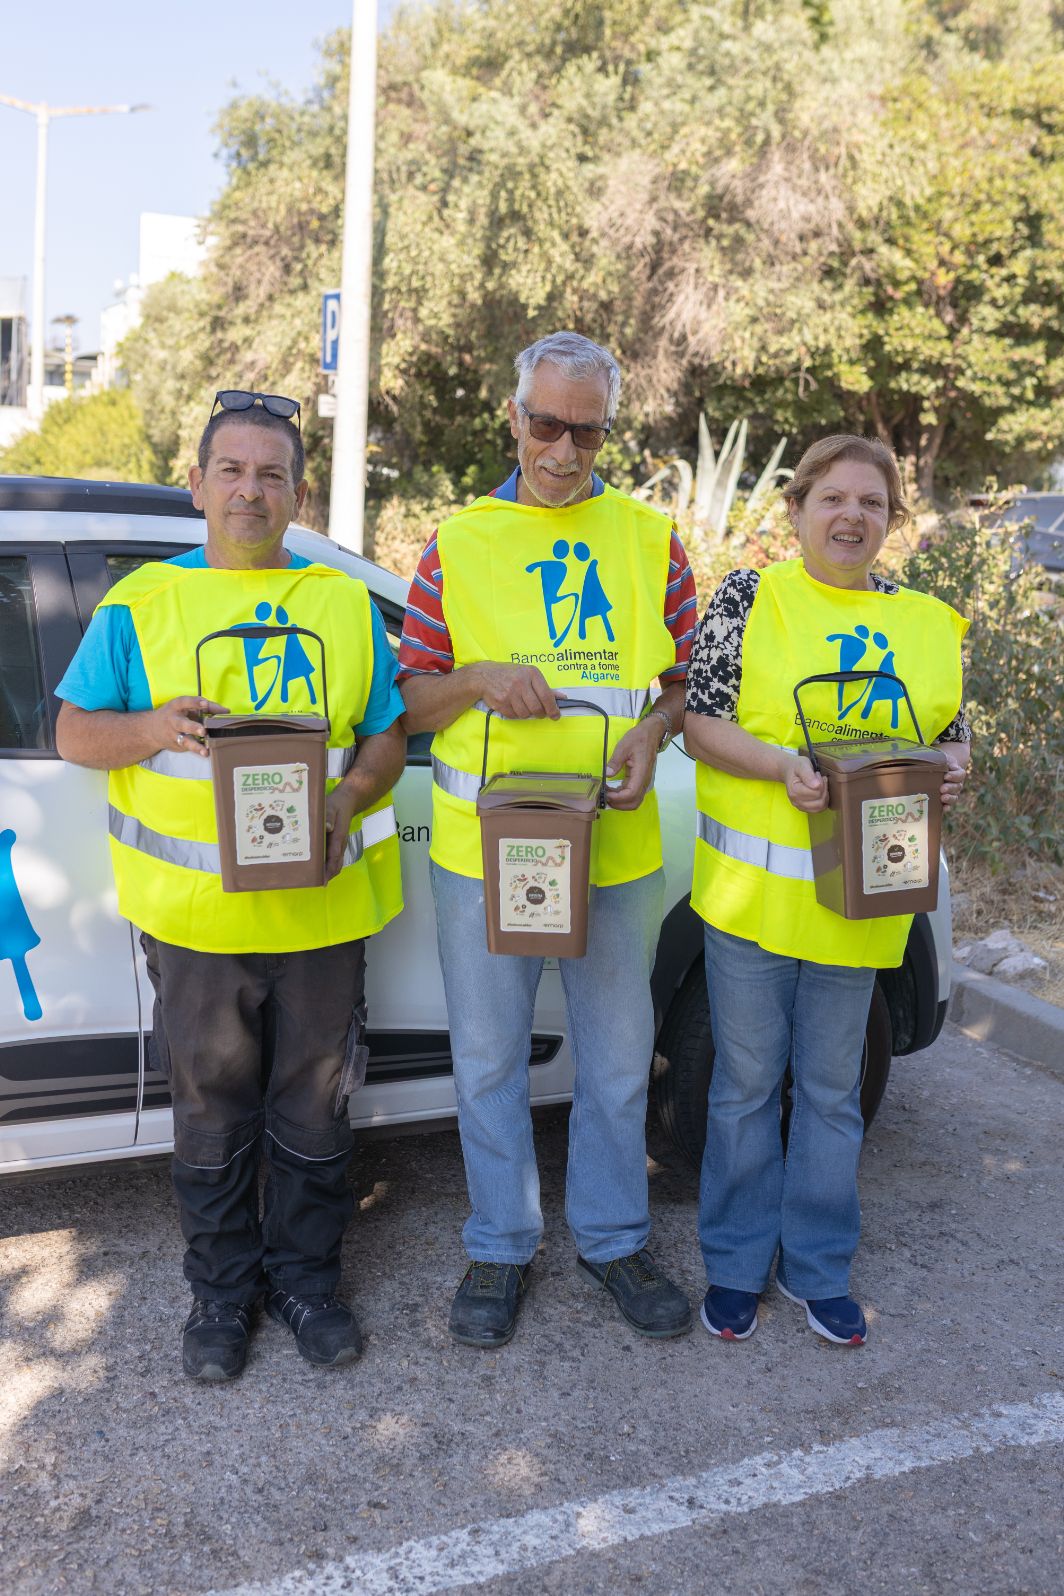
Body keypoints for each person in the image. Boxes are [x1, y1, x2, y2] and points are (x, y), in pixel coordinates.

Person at [55, 390, 405, 1380]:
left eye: (272, 474)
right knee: (212, 1114)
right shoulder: (141, 604)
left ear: (297, 495)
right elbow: (75, 732)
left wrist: (354, 797)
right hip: (197, 923)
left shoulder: (339, 603)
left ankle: (306, 1282)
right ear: (197, 485)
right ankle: (220, 1297)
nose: (251, 489)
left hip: (324, 909)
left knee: (314, 1106)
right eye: (233, 471)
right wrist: (154, 726)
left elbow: (387, 729)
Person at [398, 331, 697, 1347]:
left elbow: (682, 684)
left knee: (616, 1060)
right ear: (512, 417)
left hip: (610, 849)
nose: (563, 451)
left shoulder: (651, 539)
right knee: (487, 1059)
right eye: (544, 424)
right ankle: (500, 1244)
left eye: (586, 429)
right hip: (483, 856)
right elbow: (410, 702)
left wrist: (655, 737)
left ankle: (613, 1240)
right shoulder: (456, 541)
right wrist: (480, 681)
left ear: (608, 429)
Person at [683, 434, 971, 1346]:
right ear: (799, 509)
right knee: (743, 1086)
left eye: (872, 504)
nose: (852, 517)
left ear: (891, 520)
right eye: (834, 499)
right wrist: (780, 766)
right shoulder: (747, 595)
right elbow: (697, 723)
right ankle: (734, 1264)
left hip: (863, 897)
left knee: (833, 1090)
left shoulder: (926, 622)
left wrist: (956, 767)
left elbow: (951, 735)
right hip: (753, 901)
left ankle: (816, 1267)